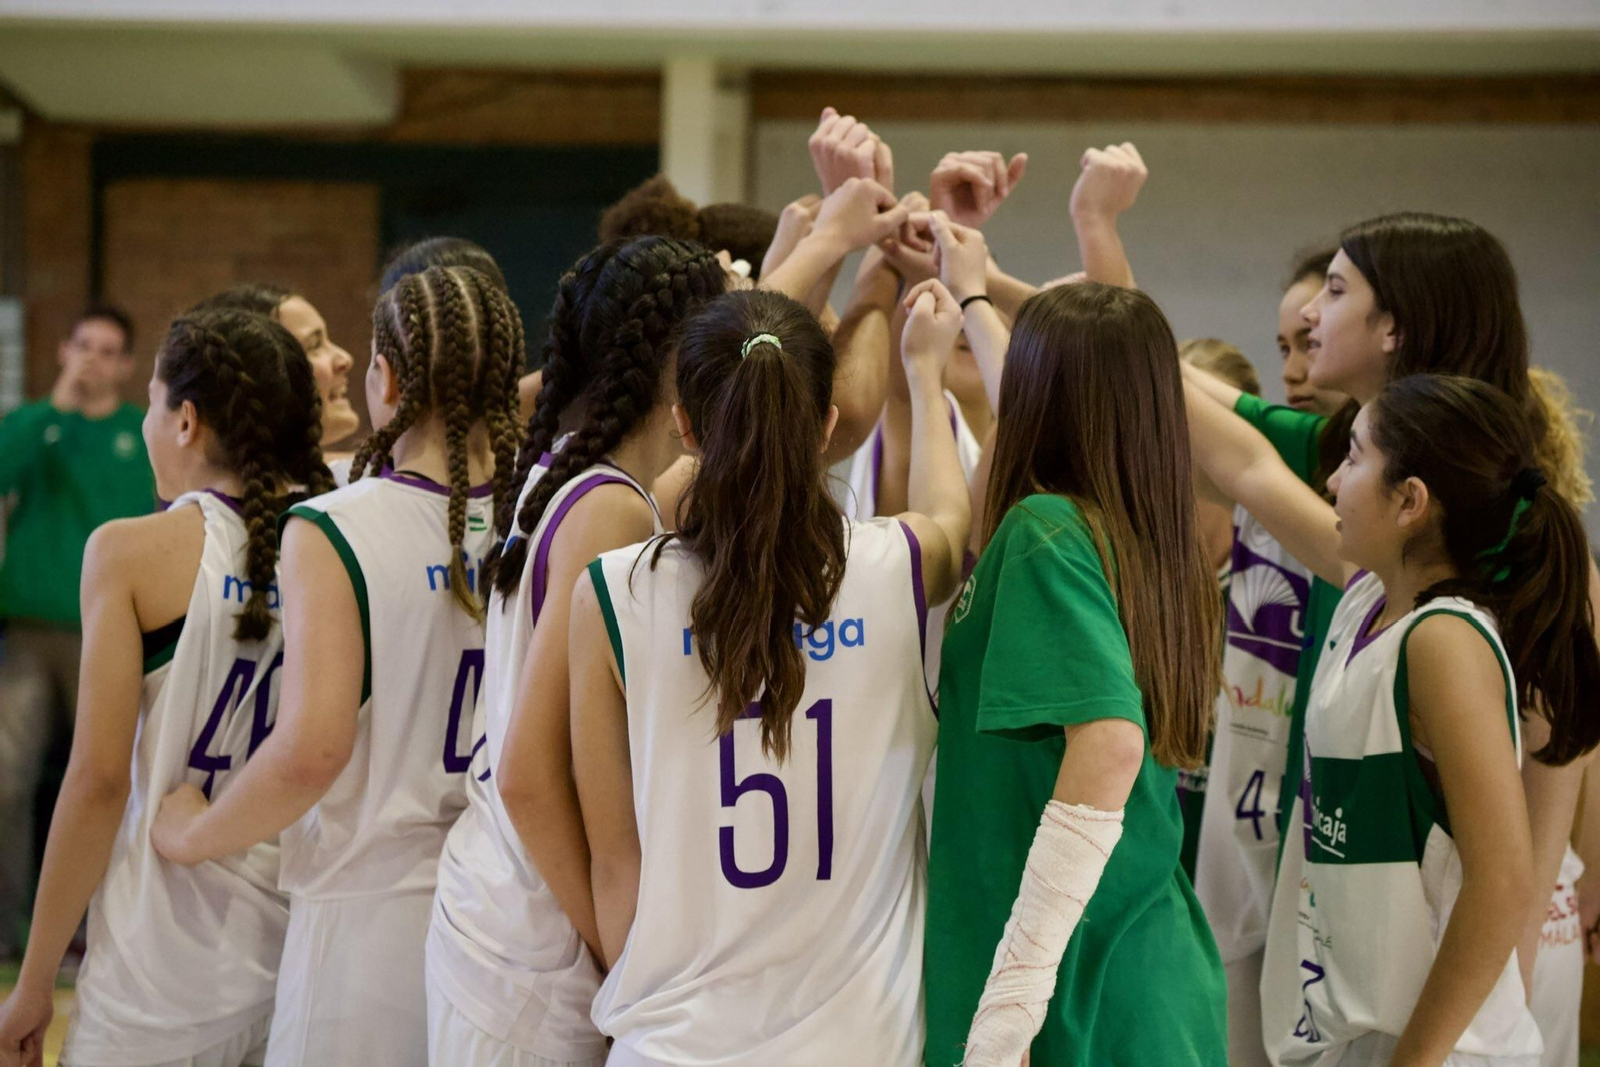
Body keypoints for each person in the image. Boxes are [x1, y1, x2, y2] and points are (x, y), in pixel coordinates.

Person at [572, 284, 968, 1064]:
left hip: (676, 1040)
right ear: (826, 426)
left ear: (684, 423)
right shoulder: (902, 566)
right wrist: (922, 376)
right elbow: (953, 514)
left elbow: (615, 860)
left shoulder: (612, 593)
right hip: (862, 1042)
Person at [149, 265, 525, 1067]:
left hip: (369, 920)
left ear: (387, 375)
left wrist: (192, 833)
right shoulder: (547, 512)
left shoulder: (334, 523)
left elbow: (312, 752)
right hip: (507, 914)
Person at [1188, 373, 1599, 1064]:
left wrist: (1413, 1058)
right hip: (1361, 1023)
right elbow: (1248, 465)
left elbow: (1502, 881)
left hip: (1440, 1045)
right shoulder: (1366, 601)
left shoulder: (1445, 641)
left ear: (1410, 501)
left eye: (1352, 457)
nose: (1330, 481)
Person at [0, 308, 332, 1067]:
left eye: (151, 402)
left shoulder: (128, 552)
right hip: (307, 955)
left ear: (184, 421)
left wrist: (35, 980)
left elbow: (97, 780)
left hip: (162, 967)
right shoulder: (342, 537)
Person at [425, 235, 725, 1067]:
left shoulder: (576, 472)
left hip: (500, 904)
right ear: (685, 359)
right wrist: (621, 954)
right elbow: (530, 772)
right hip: (533, 932)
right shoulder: (611, 512)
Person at [925, 281, 1227, 1066]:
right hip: (1149, 981)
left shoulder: (1046, 532)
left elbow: (1112, 742)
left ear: (1031, 396)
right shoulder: (1158, 548)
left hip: (1074, 1000)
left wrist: (1008, 1011)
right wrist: (972, 291)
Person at [0, 304, 152, 964]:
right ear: (64, 351)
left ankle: (92, 929)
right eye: (82, 345)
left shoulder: (139, 434)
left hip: (112, 636)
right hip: (32, 632)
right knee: (7, 778)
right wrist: (56, 408)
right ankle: (13, 931)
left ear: (125, 364)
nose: (93, 359)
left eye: (107, 349)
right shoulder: (33, 425)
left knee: (109, 781)